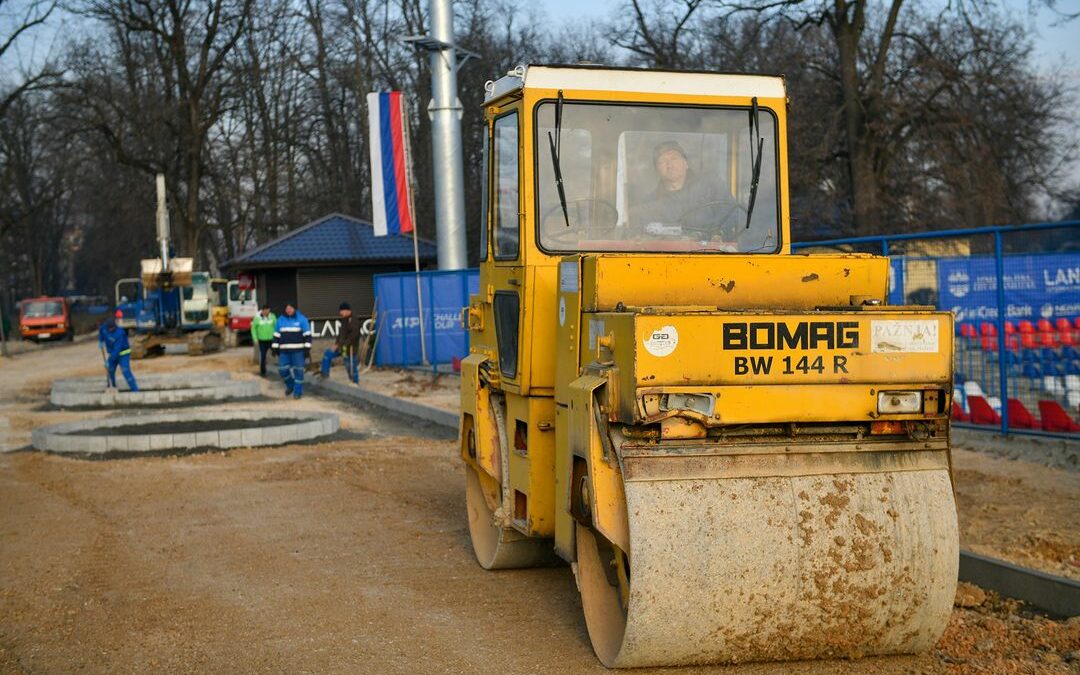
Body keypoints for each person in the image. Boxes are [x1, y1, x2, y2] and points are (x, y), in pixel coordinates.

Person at [628, 140, 742, 241]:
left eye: (674, 158)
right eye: (662, 161)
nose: (669, 165)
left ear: (686, 163)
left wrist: (717, 233)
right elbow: (642, 233)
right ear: (657, 170)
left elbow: (732, 212)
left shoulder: (711, 186)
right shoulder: (649, 203)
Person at [272, 302, 311, 399]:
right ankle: (291, 385)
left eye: (290, 308)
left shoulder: (302, 319)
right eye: (287, 308)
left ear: (294, 308)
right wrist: (275, 348)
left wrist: (307, 349)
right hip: (284, 352)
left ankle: (297, 393)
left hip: (298, 352)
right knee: (282, 370)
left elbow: (307, 335)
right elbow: (276, 335)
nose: (288, 310)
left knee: (299, 372)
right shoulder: (280, 320)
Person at [320, 302, 362, 383]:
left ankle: (355, 382)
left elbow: (354, 335)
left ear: (347, 310)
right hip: (341, 347)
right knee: (328, 354)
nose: (340, 313)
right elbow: (341, 334)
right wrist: (336, 344)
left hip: (350, 348)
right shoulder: (344, 319)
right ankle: (324, 374)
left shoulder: (354, 320)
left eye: (341, 311)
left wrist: (345, 344)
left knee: (350, 365)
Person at [100, 314, 138, 391]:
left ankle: (135, 390)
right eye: (109, 328)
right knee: (110, 370)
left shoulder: (120, 333)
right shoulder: (104, 327)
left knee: (125, 371)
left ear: (115, 326)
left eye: (112, 328)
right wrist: (101, 340)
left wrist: (109, 361)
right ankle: (113, 387)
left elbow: (117, 350)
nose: (110, 330)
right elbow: (101, 332)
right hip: (113, 354)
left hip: (123, 354)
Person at [250, 304, 277, 376]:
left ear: (269, 310)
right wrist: (255, 338)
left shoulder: (273, 317)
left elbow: (276, 326)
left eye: (267, 310)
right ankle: (263, 371)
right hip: (262, 340)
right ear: (262, 310)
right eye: (264, 310)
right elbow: (253, 329)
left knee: (277, 352)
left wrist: (277, 337)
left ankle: (281, 368)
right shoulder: (257, 318)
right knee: (263, 355)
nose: (266, 312)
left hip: (271, 339)